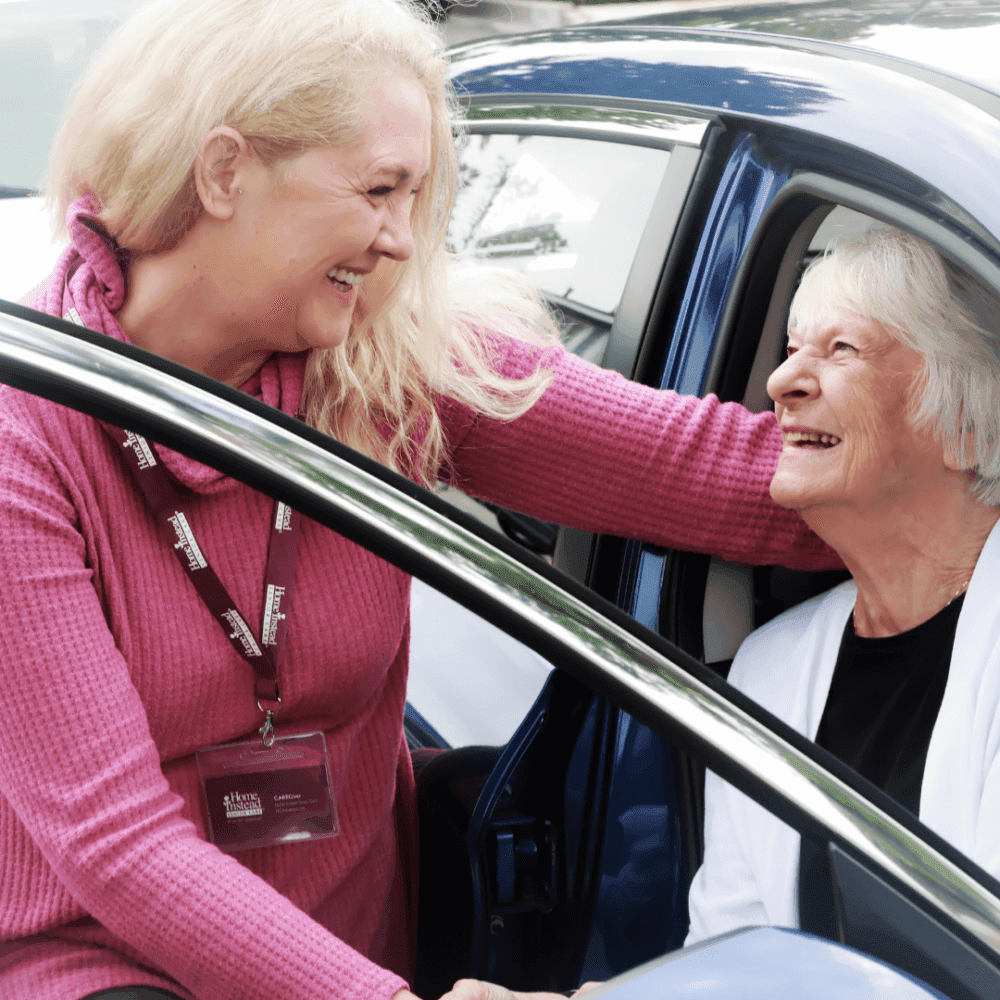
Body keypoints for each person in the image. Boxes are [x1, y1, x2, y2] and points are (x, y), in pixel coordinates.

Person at [0, 1, 841, 998]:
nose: (403, 240)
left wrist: (936, 479)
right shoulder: (28, 438)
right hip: (113, 963)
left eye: (418, 195)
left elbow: (711, 474)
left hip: (363, 952)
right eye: (379, 189)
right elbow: (116, 842)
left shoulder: (382, 360)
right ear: (224, 172)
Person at [686, 225, 1000, 945]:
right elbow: (732, 963)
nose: (780, 383)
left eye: (841, 350)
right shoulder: (770, 667)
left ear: (969, 423)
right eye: (793, 348)